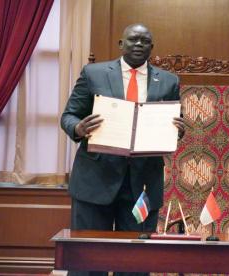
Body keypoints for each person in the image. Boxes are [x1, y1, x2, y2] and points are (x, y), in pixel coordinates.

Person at [60, 23, 184, 276]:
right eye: (133, 39)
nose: (138, 44)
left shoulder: (169, 81)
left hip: (142, 184)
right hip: (95, 180)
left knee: (135, 262)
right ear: (121, 44)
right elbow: (69, 115)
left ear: (152, 47)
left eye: (144, 41)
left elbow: (173, 122)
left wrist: (179, 129)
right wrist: (79, 128)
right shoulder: (93, 73)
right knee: (88, 259)